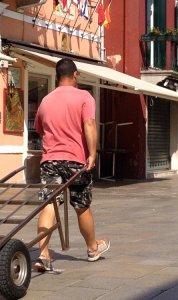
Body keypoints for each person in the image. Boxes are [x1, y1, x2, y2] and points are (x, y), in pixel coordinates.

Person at [33, 58, 110, 271]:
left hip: (50, 160)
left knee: (49, 204)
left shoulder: (46, 100)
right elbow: (89, 123)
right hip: (76, 160)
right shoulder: (84, 97)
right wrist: (92, 153)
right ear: (75, 75)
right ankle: (92, 249)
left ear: (57, 76)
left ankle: (43, 254)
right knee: (81, 205)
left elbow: (40, 129)